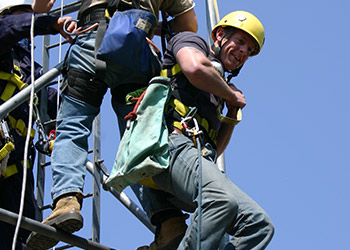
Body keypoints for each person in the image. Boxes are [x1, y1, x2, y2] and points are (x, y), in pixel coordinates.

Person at [26, 1, 198, 250]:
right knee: (139, 143)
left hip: (92, 43)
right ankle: (169, 221)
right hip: (138, 52)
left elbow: (42, 6)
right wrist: (149, 24)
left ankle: (67, 201)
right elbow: (188, 25)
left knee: (73, 127)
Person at [137, 10, 275, 249]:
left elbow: (215, 149)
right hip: (172, 146)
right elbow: (194, 68)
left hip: (198, 158)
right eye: (240, 42)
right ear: (220, 35)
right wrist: (230, 94)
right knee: (221, 200)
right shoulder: (191, 42)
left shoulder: (219, 92)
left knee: (258, 224)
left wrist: (231, 114)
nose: (243, 52)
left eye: (249, 50)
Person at [0, 1, 75, 249]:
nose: (28, 29)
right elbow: (12, 28)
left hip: (16, 172)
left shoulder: (29, 68)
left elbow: (53, 101)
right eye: (26, 18)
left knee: (22, 238)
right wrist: (49, 22)